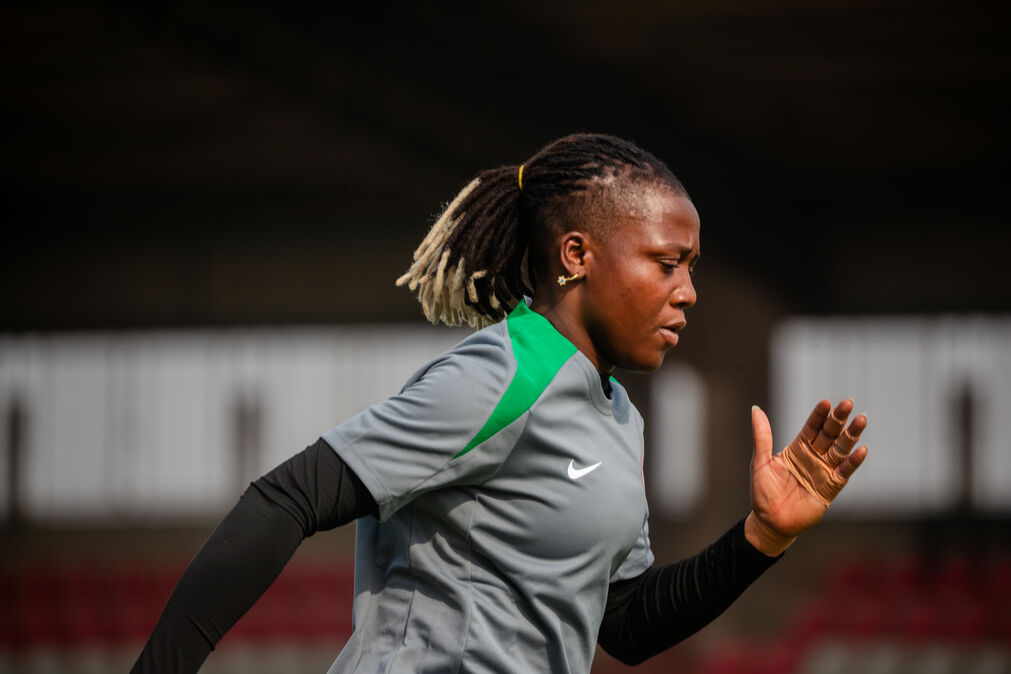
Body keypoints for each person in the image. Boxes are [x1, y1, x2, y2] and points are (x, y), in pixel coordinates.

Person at [132, 133, 868, 673]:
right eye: (666, 263)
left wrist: (761, 540)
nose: (687, 291)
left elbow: (625, 624)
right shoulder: (502, 374)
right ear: (576, 256)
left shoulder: (617, 419)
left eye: (693, 268)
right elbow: (287, 497)